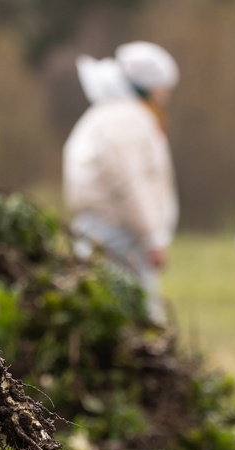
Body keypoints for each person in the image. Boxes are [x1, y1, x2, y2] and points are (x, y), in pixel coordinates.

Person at [63, 41, 179, 326]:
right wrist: (152, 236)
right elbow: (130, 182)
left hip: (110, 231)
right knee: (135, 317)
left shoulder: (111, 114)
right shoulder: (125, 119)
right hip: (120, 235)